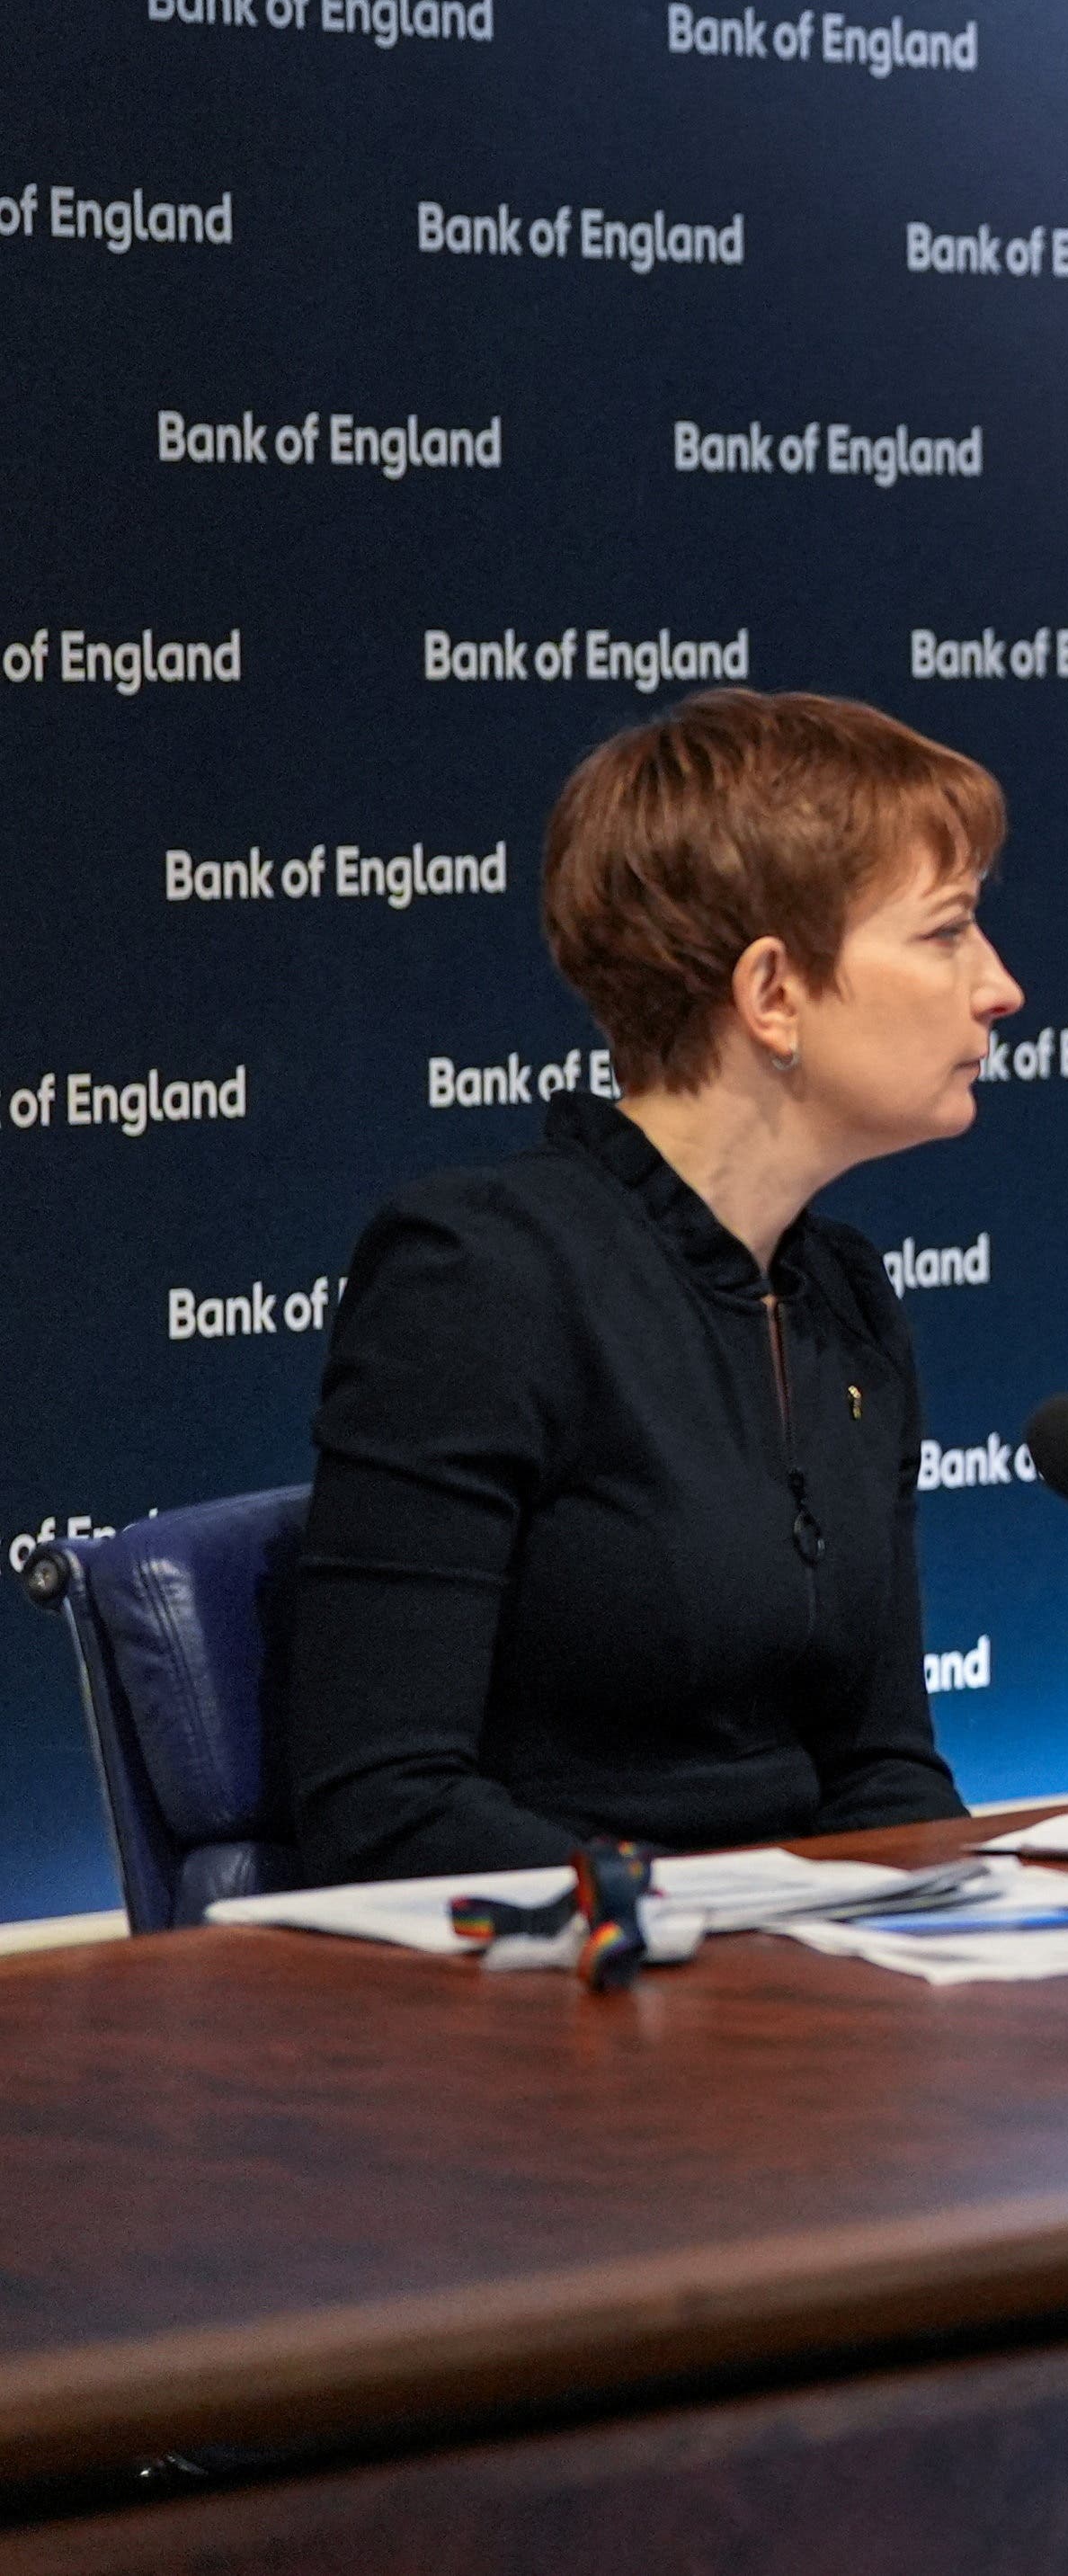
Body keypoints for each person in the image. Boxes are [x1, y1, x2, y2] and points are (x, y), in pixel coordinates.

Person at [284, 693, 1022, 1885]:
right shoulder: (483, 1271)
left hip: (799, 2003)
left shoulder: (845, 1296)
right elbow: (386, 1801)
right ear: (773, 991)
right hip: (558, 2006)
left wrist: (987, 1928)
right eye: (947, 932)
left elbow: (880, 1764)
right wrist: (712, 1934)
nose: (999, 987)